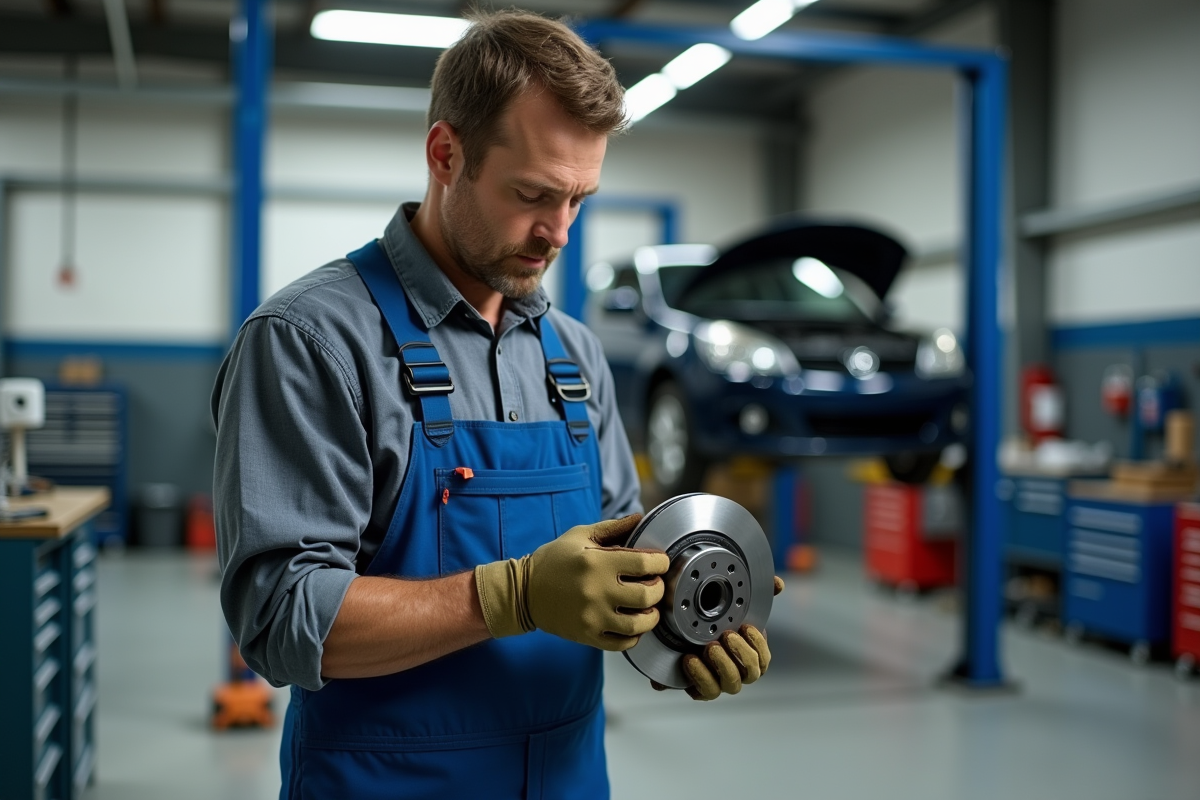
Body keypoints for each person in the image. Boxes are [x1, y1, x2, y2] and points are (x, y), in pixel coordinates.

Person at [212, 10, 777, 799]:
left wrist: (682, 631)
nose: (559, 233)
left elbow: (617, 571)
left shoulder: (575, 358)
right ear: (447, 154)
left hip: (568, 779)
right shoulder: (311, 341)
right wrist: (507, 596)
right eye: (534, 195)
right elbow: (280, 618)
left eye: (579, 198)